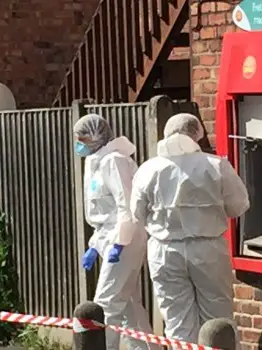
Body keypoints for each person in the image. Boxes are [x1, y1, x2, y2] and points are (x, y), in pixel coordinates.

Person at [130, 113, 250, 343]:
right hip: (208, 247)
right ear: (197, 134)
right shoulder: (216, 165)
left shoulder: (148, 169)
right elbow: (238, 206)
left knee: (176, 320)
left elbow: (137, 212)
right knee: (218, 316)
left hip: (164, 249)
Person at [73, 114, 156, 350]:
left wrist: (120, 242)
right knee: (129, 305)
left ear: (96, 136)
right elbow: (103, 212)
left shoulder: (114, 161)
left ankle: (101, 347)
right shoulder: (96, 163)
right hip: (110, 237)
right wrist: (94, 244)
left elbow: (126, 205)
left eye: (83, 138)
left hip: (124, 239)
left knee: (106, 302)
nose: (79, 143)